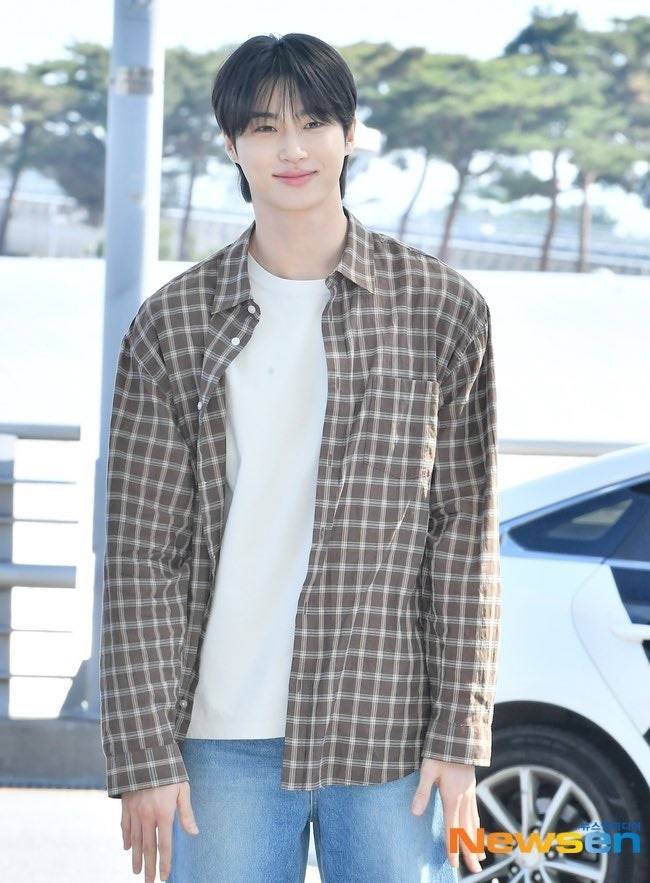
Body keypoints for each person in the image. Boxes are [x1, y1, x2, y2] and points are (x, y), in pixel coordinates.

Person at [100, 32, 501, 883]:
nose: (291, 149)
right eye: (264, 127)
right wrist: (143, 753)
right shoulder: (173, 324)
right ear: (230, 145)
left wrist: (460, 735)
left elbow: (465, 536)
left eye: (314, 122)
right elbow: (141, 555)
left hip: (388, 732)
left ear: (350, 134)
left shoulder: (442, 310)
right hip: (220, 740)